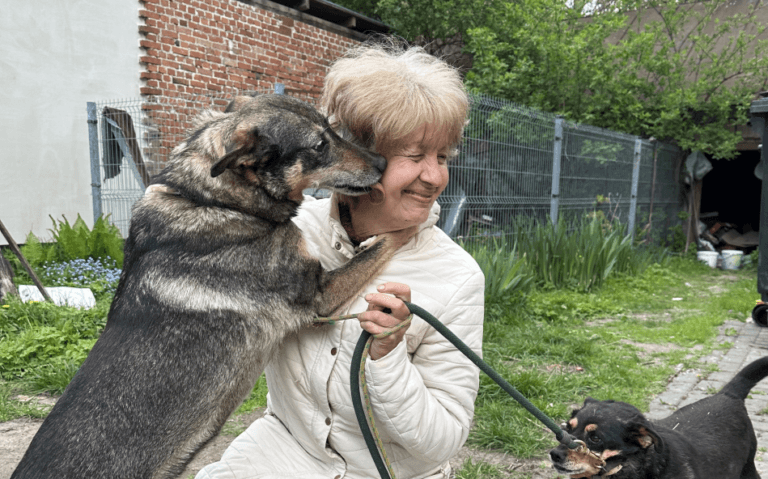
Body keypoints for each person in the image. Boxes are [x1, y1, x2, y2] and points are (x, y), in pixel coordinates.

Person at [196, 40, 485, 479]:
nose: (435, 177)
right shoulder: (288, 232)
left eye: (442, 157)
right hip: (286, 450)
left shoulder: (456, 277)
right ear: (356, 157)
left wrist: (388, 357)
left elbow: (441, 440)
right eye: (414, 156)